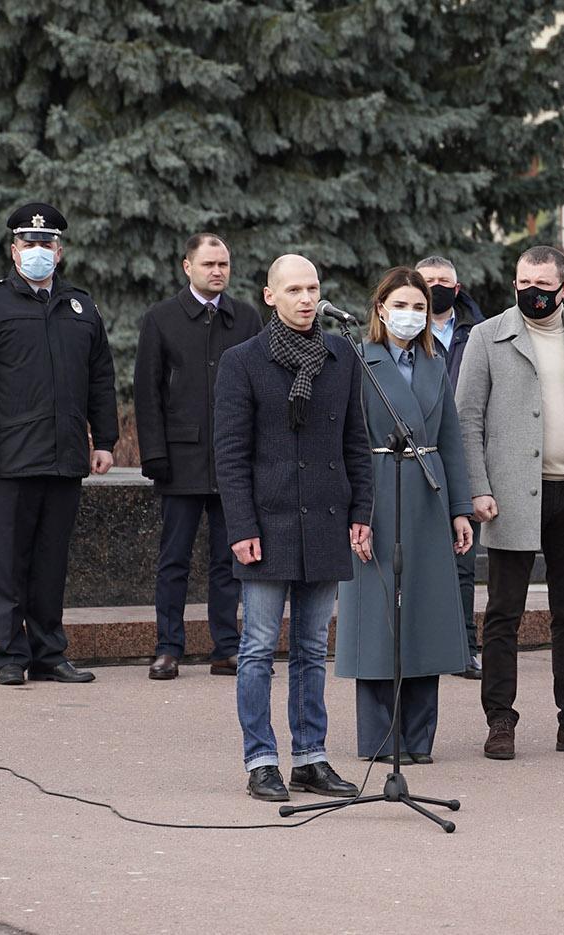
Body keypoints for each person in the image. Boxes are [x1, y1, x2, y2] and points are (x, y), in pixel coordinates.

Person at [455, 245, 564, 761]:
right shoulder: (488, 337)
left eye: (543, 285)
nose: (532, 293)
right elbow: (467, 420)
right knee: (504, 612)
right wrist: (478, 488)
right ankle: (500, 720)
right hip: (510, 497)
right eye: (523, 283)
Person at [214, 254, 371, 802]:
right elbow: (230, 454)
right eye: (294, 290)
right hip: (267, 523)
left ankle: (310, 757)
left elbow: (356, 441)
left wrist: (361, 514)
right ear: (269, 296)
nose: (306, 299)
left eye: (313, 289)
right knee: (257, 647)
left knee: (309, 647)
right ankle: (261, 760)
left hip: (327, 519)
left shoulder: (342, 355)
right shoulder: (243, 361)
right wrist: (241, 526)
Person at [0, 202, 117, 686]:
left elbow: (100, 378)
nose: (37, 251)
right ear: (13, 249)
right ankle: (9, 655)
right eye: (29, 244)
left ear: (59, 252)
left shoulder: (81, 307)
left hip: (64, 457)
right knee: (9, 559)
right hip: (8, 459)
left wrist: (104, 439)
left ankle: (48, 652)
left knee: (50, 562)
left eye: (46, 244)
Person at [334, 267, 472, 766]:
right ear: (380, 309)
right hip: (376, 491)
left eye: (420, 307)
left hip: (428, 495)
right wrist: (355, 512)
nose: (411, 316)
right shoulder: (357, 360)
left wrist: (460, 509)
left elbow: (452, 442)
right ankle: (379, 739)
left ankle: (418, 740)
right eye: (402, 305)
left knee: (425, 615)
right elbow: (347, 440)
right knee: (376, 618)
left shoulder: (435, 364)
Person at [134, 233, 263, 681]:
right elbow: (146, 392)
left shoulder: (245, 318)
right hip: (180, 460)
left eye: (223, 264)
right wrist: (154, 454)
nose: (217, 271)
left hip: (233, 462)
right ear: (187, 266)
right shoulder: (162, 318)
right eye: (208, 264)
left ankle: (226, 647)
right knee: (174, 559)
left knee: (232, 558)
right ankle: (168, 648)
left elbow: (260, 389)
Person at [416, 254, 486, 679]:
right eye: (429, 281)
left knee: (462, 562)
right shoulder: (400, 333)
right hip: (414, 456)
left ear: (457, 290)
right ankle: (417, 646)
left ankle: (464, 648)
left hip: (463, 457)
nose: (437, 287)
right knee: (415, 559)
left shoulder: (479, 334)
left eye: (445, 281)